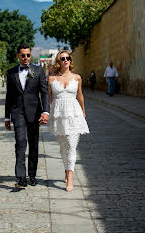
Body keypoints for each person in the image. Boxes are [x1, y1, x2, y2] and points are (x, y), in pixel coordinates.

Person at [5, 44, 50, 188]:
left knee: (33, 144)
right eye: (23, 55)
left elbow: (44, 92)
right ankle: (20, 177)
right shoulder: (11, 72)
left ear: (30, 55)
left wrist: (46, 111)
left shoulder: (38, 70)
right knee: (20, 142)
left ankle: (32, 175)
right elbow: (9, 96)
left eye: (28, 55)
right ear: (18, 55)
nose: (26, 58)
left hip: (35, 113)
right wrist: (7, 117)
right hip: (18, 112)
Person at [48, 50, 89, 192]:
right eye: (63, 58)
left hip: (74, 115)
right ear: (58, 62)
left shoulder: (77, 78)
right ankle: (66, 170)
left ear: (70, 60)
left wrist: (83, 111)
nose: (66, 60)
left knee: (72, 146)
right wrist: (47, 113)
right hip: (58, 117)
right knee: (63, 147)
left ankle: (70, 177)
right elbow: (49, 99)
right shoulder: (51, 79)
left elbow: (80, 96)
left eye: (68, 58)